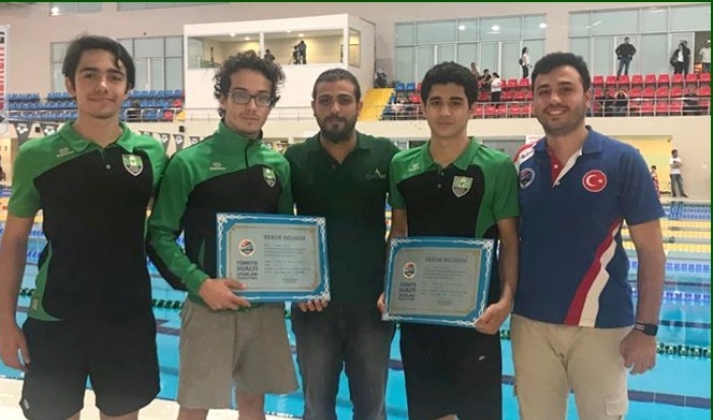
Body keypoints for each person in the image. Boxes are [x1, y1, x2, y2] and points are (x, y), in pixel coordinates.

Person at [0, 35, 166, 420]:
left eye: (114, 76)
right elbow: (15, 240)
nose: (102, 85)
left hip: (128, 320)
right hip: (55, 318)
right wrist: (5, 322)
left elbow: (167, 229)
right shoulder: (37, 155)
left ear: (127, 88)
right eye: (90, 75)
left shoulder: (151, 154)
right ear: (70, 84)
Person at [512, 52, 666, 420]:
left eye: (566, 89)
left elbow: (651, 252)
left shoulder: (622, 160)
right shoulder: (521, 162)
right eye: (543, 91)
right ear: (533, 101)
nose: (554, 99)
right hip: (530, 324)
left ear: (588, 96)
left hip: (602, 327)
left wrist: (646, 329)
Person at [146, 50, 298, 420]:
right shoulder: (189, 163)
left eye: (262, 98)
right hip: (208, 306)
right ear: (223, 98)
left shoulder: (278, 166)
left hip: (263, 309)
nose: (252, 106)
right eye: (241, 95)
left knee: (253, 403)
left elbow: (286, 236)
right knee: (195, 406)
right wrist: (200, 284)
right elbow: (159, 235)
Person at [381, 61, 520, 420]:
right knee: (429, 412)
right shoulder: (402, 165)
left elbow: (509, 241)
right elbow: (399, 233)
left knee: (478, 413)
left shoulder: (496, 167)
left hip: (476, 316)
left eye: (455, 103)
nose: (445, 112)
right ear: (423, 107)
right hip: (419, 316)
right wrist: (390, 288)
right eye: (436, 102)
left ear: (472, 108)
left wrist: (506, 300)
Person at [284, 68, 399, 420]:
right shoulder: (294, 158)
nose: (335, 108)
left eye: (344, 100)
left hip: (372, 307)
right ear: (314, 107)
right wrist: (295, 286)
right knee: (316, 410)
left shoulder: (384, 155)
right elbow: (281, 230)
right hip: (313, 309)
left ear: (359, 106)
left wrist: (395, 285)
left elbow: (402, 226)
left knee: (372, 410)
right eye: (326, 100)